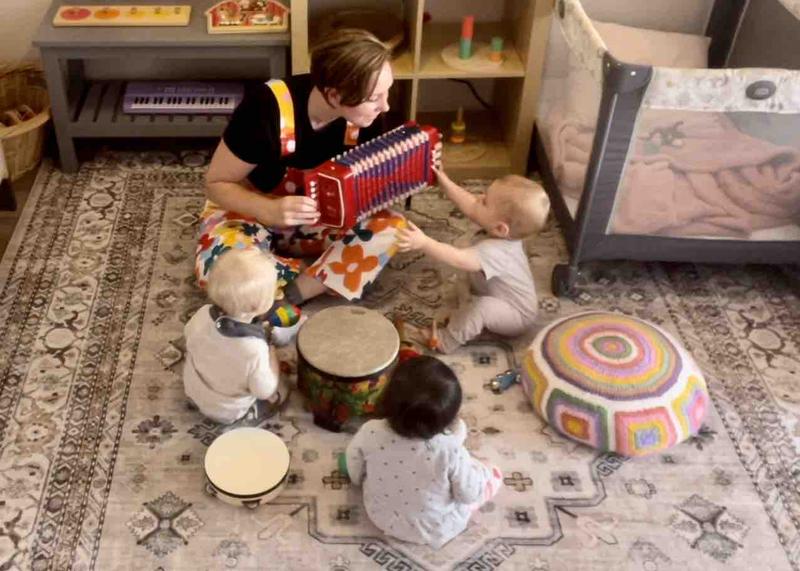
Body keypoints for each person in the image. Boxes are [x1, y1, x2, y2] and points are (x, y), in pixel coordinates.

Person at [195, 28, 405, 309]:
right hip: (254, 210)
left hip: (320, 218)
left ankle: (292, 290)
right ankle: (321, 275)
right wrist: (267, 210)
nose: (386, 105)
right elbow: (216, 184)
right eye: (374, 97)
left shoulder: (367, 117)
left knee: (393, 228)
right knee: (220, 268)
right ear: (334, 95)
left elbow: (367, 188)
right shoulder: (265, 108)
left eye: (387, 92)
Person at [344, 356, 502, 549]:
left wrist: (358, 479)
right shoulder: (450, 450)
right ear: (448, 418)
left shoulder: (371, 431)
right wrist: (480, 471)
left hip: (383, 517)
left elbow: (354, 468)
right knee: (489, 472)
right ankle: (488, 473)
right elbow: (467, 495)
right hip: (439, 526)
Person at [396, 169, 550, 353]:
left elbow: (457, 259)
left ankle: (447, 341)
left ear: (501, 228)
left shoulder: (496, 251)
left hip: (517, 316)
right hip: (497, 296)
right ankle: (465, 309)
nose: (478, 197)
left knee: (482, 307)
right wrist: (444, 181)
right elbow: (470, 205)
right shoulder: (501, 231)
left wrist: (424, 242)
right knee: (466, 278)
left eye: (485, 201)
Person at [183, 248, 289, 424]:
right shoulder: (254, 348)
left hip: (194, 388)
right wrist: (273, 359)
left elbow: (188, 336)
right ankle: (249, 414)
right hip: (227, 409)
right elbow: (264, 390)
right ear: (257, 306)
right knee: (281, 391)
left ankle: (198, 401)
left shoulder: (202, 314)